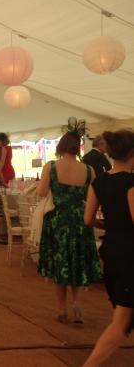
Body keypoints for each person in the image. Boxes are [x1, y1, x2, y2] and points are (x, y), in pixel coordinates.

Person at [37, 132, 102, 324]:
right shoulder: (89, 170)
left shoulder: (52, 166)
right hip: (80, 220)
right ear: (78, 148)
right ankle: (77, 303)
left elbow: (41, 192)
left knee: (61, 264)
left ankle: (61, 308)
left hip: (58, 220)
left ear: (60, 147)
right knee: (77, 262)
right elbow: (94, 198)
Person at [83, 130, 134, 367]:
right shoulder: (131, 183)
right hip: (129, 256)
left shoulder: (99, 182)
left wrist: (110, 223)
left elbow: (88, 220)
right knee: (121, 323)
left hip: (112, 250)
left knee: (123, 318)